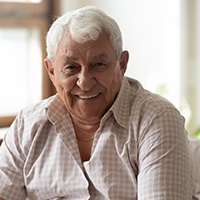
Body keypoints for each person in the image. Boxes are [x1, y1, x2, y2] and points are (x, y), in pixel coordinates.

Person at [0, 5, 196, 200]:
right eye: (71, 67)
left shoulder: (157, 119)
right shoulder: (27, 124)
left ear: (122, 65)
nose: (85, 82)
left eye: (99, 65)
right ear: (51, 71)